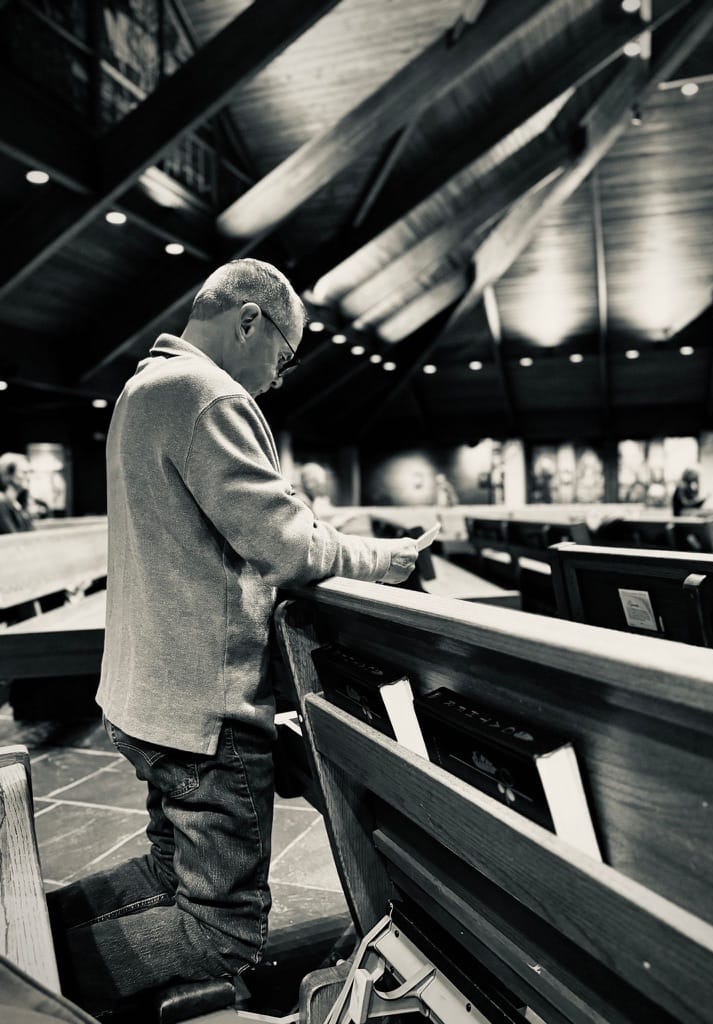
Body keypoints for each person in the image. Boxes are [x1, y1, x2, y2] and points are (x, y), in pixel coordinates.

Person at [46, 258, 418, 1016]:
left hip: (147, 695)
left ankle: (34, 933)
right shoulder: (208, 393)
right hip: (202, 709)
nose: (278, 377)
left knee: (168, 871)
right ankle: (32, 984)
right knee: (225, 930)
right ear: (250, 320)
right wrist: (387, 560)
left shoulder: (143, 388)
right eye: (283, 355)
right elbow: (287, 546)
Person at [0, 452, 34, 533]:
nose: (29, 477)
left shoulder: (18, 503)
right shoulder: (1, 503)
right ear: (8, 474)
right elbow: (13, 536)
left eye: (30, 472)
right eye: (24, 472)